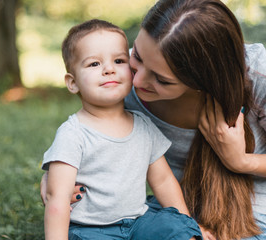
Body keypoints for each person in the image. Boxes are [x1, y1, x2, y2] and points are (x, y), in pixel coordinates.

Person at [41, 0, 266, 239]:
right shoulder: (117, 74)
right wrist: (57, 178)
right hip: (171, 208)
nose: (136, 82)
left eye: (162, 79)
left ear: (202, 81)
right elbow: (91, 133)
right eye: (136, 56)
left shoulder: (258, 75)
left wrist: (241, 161)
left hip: (253, 211)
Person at [42, 19, 202, 240]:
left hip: (138, 222)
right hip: (90, 229)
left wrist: (186, 222)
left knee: (176, 230)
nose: (108, 69)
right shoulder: (73, 134)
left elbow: (163, 180)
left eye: (118, 60)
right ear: (73, 82)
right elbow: (57, 198)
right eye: (94, 64)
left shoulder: (143, 125)